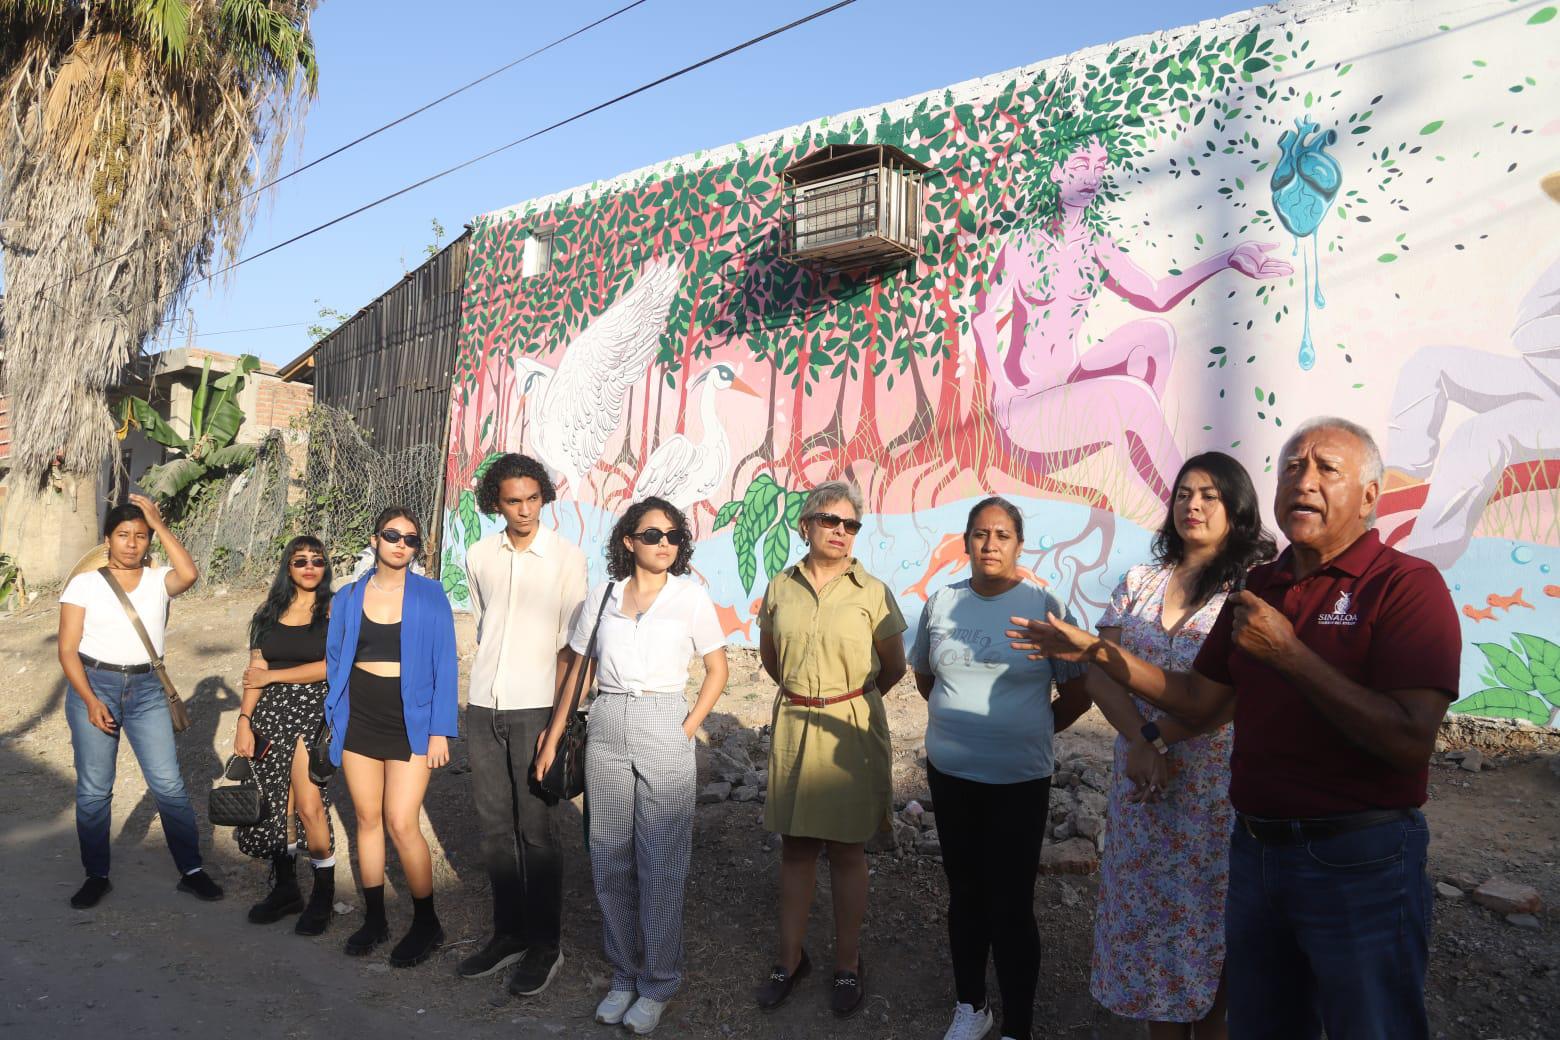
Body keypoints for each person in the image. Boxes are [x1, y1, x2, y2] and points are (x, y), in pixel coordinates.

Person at [1011, 417, 1460, 1038]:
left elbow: (1412, 738)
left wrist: (1290, 656)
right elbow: (1196, 697)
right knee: (1264, 1021)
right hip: (1254, 851)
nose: (1305, 480)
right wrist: (1096, 653)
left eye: (1327, 468)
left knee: (1369, 1023)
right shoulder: (1264, 587)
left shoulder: (1405, 586)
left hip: (1358, 857)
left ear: (1369, 496)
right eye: (1293, 467)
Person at [1085, 454, 1276, 1039]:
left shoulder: (1250, 590)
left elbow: (1236, 694)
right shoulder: (1139, 582)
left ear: (1236, 509)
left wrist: (1158, 737)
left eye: (1210, 496)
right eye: (1185, 494)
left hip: (1213, 794)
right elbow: (1098, 671)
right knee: (1146, 928)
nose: (1193, 505)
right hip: (1142, 789)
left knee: (1209, 928)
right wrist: (1139, 741)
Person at [534, 495, 727, 1036]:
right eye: (652, 535)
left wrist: (685, 728)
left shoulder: (690, 597)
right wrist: (553, 735)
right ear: (628, 541)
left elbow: (716, 669)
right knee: (609, 856)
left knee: (662, 864)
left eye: (672, 536)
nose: (664, 544)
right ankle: (624, 973)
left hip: (663, 718)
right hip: (608, 722)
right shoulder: (604, 595)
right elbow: (578, 670)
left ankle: (659, 982)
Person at [910, 497, 1092, 1040]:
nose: (991, 544)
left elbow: (1079, 692)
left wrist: (1029, 729)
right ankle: (972, 1005)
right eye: (981, 534)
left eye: (1003, 535)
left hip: (1019, 780)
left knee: (1011, 903)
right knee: (964, 894)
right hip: (952, 775)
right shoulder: (941, 602)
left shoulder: (1043, 605)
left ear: (1018, 544)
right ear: (966, 542)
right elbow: (926, 677)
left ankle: (1018, 1024)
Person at [753, 480, 908, 1019]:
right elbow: (771, 657)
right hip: (795, 722)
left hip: (851, 728)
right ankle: (789, 959)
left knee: (847, 850)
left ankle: (847, 963)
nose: (841, 531)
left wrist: (848, 700)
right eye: (829, 521)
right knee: (796, 847)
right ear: (806, 525)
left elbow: (894, 667)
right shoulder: (780, 585)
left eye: (850, 524)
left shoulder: (873, 592)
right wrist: (805, 692)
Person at [458, 454, 587, 995]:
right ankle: (508, 934)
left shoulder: (565, 558)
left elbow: (572, 646)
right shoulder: (478, 554)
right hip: (484, 708)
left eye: (533, 498)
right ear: (497, 503)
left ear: (544, 499)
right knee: (494, 830)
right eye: (514, 500)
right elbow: (486, 622)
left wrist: (556, 722)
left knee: (537, 831)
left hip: (537, 708)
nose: (525, 509)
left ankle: (545, 945)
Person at [57, 493, 222, 908]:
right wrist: (91, 700)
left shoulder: (158, 580)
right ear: (108, 540)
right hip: (95, 684)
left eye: (141, 536)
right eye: (123, 535)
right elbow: (66, 649)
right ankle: (96, 875)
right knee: (95, 790)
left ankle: (192, 870)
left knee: (168, 784)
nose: (132, 543)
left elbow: (190, 573)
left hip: (148, 690)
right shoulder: (85, 583)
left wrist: (159, 522)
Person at [323, 507, 458, 967]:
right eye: (392, 535)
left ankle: (427, 922)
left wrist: (441, 730)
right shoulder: (347, 597)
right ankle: (375, 918)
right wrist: (333, 718)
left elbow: (446, 663)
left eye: (410, 539)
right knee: (366, 819)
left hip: (412, 722)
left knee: (401, 821)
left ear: (417, 548)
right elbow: (336, 660)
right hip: (360, 718)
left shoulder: (429, 595)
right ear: (375, 539)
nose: (401, 543)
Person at [234, 536, 338, 935]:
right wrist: (244, 719)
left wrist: (273, 675)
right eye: (300, 561)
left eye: (317, 561)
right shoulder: (267, 613)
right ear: (288, 567)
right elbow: (253, 672)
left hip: (313, 713)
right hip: (270, 714)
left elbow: (332, 667)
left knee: (309, 804)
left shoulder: (333, 611)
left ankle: (323, 896)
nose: (310, 567)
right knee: (278, 805)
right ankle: (286, 887)